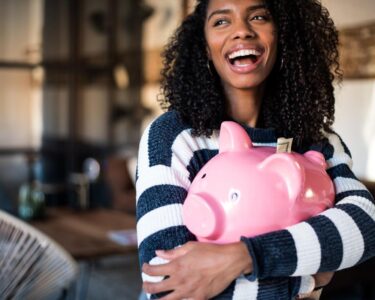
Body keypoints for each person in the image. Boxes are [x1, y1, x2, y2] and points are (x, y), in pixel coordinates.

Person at [136, 0, 375, 299]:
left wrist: (245, 257)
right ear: (204, 47)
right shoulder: (174, 136)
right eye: (221, 21)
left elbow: (366, 225)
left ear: (283, 35)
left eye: (259, 17)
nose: (242, 32)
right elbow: (166, 281)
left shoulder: (316, 140)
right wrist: (307, 280)